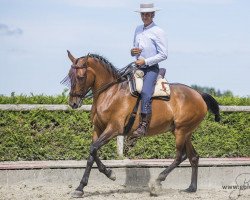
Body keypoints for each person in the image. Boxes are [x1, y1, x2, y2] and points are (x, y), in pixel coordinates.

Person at [131, 3, 168, 138]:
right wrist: (133, 52)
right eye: (143, 14)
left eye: (147, 14)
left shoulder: (158, 31)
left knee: (146, 92)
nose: (145, 17)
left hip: (151, 69)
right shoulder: (137, 29)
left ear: (153, 15)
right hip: (138, 67)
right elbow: (135, 50)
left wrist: (145, 61)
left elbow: (164, 54)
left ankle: (143, 125)